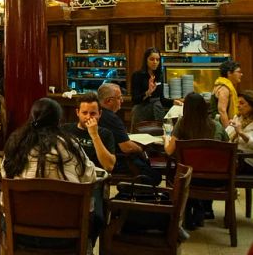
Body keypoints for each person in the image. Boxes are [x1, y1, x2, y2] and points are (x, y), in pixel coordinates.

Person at [2, 97, 98, 250]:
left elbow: (4, 176)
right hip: (66, 235)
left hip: (20, 233)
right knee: (95, 214)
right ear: (58, 120)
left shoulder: (15, 144)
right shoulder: (69, 145)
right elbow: (90, 177)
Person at [165, 92, 229, 230]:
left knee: (187, 171)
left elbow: (169, 151)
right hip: (216, 180)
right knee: (202, 167)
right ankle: (203, 209)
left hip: (188, 179)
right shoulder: (216, 126)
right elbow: (226, 148)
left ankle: (190, 211)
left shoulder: (182, 123)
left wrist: (166, 140)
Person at [98, 83, 161, 185]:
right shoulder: (112, 119)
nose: (122, 101)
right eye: (119, 98)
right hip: (119, 161)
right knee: (155, 176)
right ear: (108, 101)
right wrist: (140, 148)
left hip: (101, 160)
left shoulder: (96, 113)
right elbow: (126, 147)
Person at [62, 93, 116, 173]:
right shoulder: (65, 129)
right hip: (70, 174)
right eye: (84, 113)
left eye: (93, 113)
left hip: (94, 177)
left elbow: (109, 166)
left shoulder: (106, 134)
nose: (88, 117)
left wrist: (94, 135)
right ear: (77, 112)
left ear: (100, 114)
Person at [130, 47, 166, 129]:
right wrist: (148, 92)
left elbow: (162, 99)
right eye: (152, 59)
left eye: (157, 60)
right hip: (141, 111)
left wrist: (175, 102)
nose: (155, 62)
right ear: (146, 60)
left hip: (157, 111)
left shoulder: (159, 75)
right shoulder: (137, 75)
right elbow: (135, 99)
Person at [210, 60, 243, 127]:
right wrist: (227, 131)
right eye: (238, 72)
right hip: (220, 126)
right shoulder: (224, 88)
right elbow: (222, 111)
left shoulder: (224, 85)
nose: (241, 74)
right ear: (229, 73)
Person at [228, 90, 253, 173]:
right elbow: (227, 138)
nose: (238, 106)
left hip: (248, 160)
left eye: (242, 103)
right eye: (238, 103)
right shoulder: (238, 118)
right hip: (236, 158)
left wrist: (241, 133)